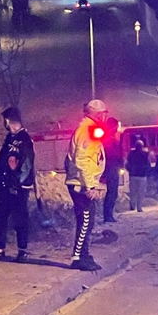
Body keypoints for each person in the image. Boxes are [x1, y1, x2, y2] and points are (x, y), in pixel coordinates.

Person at [64, 99, 107, 271]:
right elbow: (82, 160)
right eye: (103, 113)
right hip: (80, 184)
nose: (105, 116)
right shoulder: (88, 130)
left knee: (87, 221)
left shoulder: (88, 128)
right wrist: (89, 186)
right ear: (98, 114)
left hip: (82, 182)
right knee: (85, 220)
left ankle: (84, 254)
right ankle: (78, 257)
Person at [0, 107, 36, 262]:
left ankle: (22, 250)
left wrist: (19, 184)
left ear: (8, 121)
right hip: (4, 185)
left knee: (20, 218)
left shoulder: (24, 139)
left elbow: (26, 164)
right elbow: (3, 160)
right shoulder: (9, 138)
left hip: (17, 187)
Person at [101, 116, 123, 223]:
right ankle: (108, 216)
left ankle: (109, 215)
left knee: (113, 193)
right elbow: (110, 156)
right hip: (110, 168)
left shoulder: (110, 139)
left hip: (112, 168)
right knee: (112, 193)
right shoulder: (108, 140)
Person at [125, 138, 150, 212]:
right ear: (142, 146)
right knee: (141, 192)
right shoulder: (145, 154)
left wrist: (130, 170)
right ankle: (139, 207)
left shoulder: (131, 153)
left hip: (133, 175)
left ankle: (132, 205)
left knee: (133, 191)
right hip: (142, 175)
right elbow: (148, 164)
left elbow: (127, 163)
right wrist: (145, 171)